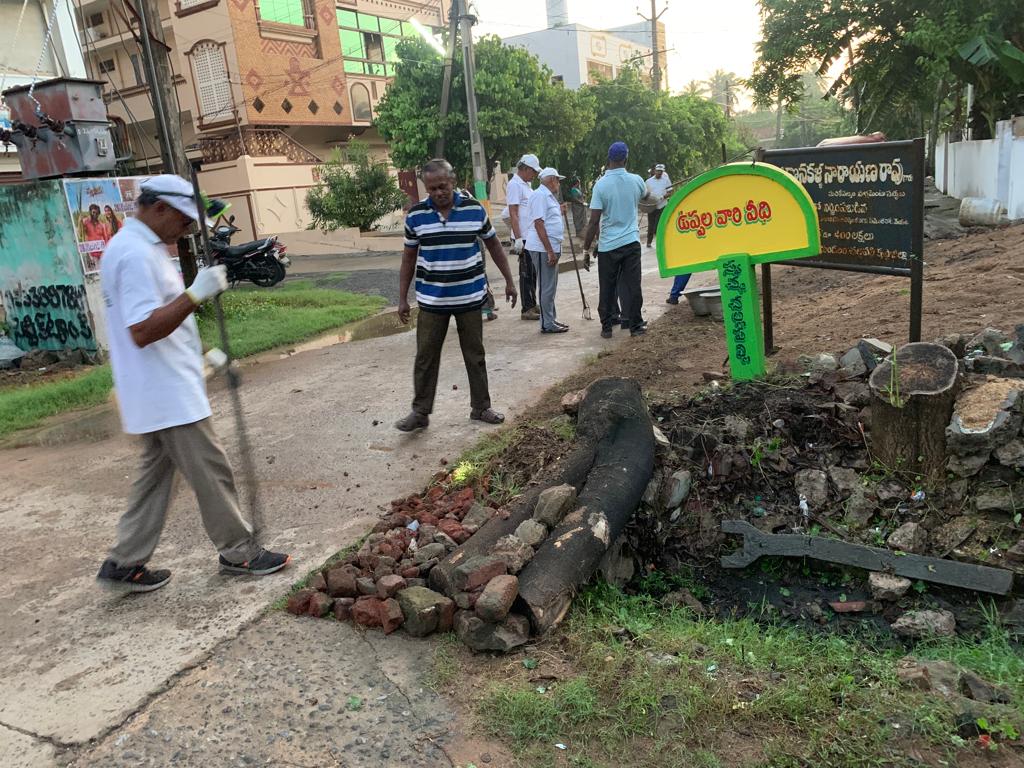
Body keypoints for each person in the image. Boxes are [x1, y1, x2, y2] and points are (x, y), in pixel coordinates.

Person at [96, 174, 291, 593]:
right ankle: (239, 552)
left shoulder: (142, 248)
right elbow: (142, 330)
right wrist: (195, 294)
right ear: (159, 208)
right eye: (185, 221)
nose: (188, 230)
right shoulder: (134, 254)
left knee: (154, 479)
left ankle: (124, 562)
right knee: (211, 469)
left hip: (159, 387)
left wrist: (206, 353)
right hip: (165, 391)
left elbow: (164, 317)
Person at [395, 159, 519, 432]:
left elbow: (494, 246)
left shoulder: (474, 210)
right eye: (432, 188)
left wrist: (509, 282)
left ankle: (481, 407)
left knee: (475, 355)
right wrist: (402, 298)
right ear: (426, 188)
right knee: (425, 357)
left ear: (453, 182)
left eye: (443, 186)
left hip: (469, 298)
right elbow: (408, 258)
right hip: (432, 301)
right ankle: (420, 412)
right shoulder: (416, 216)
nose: (438, 192)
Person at [583, 141, 652, 339]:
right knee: (633, 285)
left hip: (608, 246)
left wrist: (586, 249)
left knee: (607, 286)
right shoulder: (636, 180)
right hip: (631, 242)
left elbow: (593, 221)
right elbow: (647, 196)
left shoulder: (600, 186)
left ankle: (606, 327)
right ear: (626, 158)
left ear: (609, 158)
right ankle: (635, 326)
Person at [524, 167, 568, 334]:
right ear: (551, 180)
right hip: (543, 248)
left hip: (551, 247)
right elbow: (539, 224)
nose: (559, 184)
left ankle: (550, 319)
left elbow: (548, 219)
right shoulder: (540, 195)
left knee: (550, 286)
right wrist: (549, 251)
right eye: (558, 180)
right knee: (546, 287)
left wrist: (559, 211)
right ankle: (547, 323)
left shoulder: (547, 196)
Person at [500, 153, 541, 320]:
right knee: (526, 272)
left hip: (530, 235)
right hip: (522, 237)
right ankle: (527, 308)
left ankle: (532, 302)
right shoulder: (515, 185)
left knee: (532, 271)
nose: (535, 174)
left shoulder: (526, 185)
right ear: (524, 168)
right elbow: (513, 213)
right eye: (533, 171)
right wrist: (517, 239)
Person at [645, 163, 672, 249]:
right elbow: (645, 194)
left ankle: (659, 243)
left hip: (662, 205)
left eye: (661, 171)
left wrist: (663, 197)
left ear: (663, 172)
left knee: (659, 225)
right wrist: (648, 200)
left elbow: (670, 192)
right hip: (651, 206)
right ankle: (649, 242)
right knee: (651, 225)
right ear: (654, 171)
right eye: (658, 171)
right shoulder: (648, 181)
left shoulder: (666, 180)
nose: (659, 173)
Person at [81, 203, 111, 268]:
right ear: (90, 212)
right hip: (92, 254)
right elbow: (80, 233)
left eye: (97, 213)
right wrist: (80, 221)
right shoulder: (86, 222)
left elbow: (106, 239)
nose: (95, 215)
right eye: (93, 212)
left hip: (101, 254)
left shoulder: (101, 225)